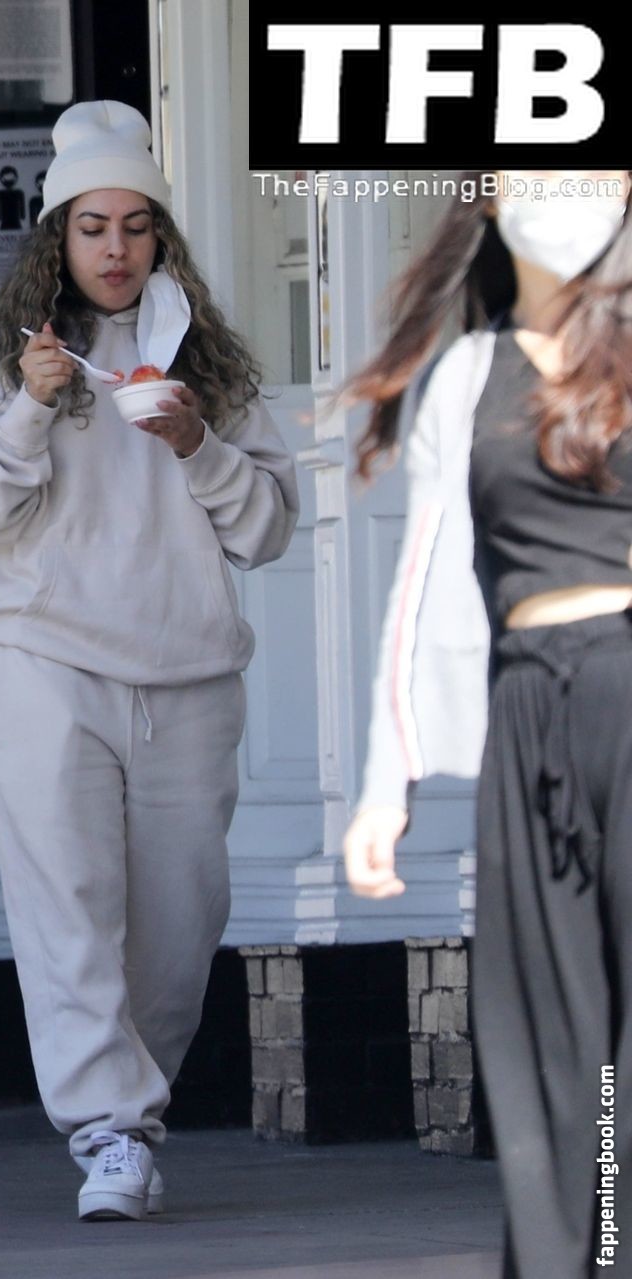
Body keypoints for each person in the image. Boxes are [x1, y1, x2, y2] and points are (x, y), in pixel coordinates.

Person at [0, 100, 298, 1222]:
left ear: (161, 235)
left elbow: (268, 528)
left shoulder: (208, 367)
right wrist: (30, 412)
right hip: (44, 659)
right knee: (68, 907)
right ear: (59, 235)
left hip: (189, 671)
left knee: (181, 923)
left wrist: (196, 442)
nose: (116, 248)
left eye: (137, 225)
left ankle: (133, 1107)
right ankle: (110, 1129)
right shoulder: (6, 364)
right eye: (93, 226)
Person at [341, 170, 632, 1278]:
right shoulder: (467, 373)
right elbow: (421, 587)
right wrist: (387, 783)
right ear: (494, 198)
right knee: (546, 1027)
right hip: (528, 708)